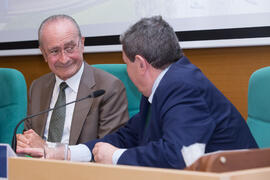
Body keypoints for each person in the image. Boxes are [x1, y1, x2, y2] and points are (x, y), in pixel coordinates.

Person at [17, 16, 258, 169]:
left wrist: (115, 157)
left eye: (126, 62)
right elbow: (126, 137)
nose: (126, 69)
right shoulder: (162, 86)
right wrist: (65, 153)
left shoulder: (184, 87)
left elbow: (178, 156)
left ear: (141, 64)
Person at [16, 14, 129, 149]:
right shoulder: (37, 87)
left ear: (82, 44)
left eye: (70, 48)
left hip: (83, 169)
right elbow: (29, 137)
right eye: (54, 51)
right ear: (44, 54)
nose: (64, 59)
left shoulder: (109, 88)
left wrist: (47, 148)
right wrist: (25, 142)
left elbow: (107, 150)